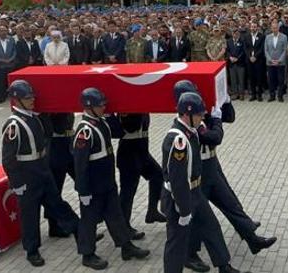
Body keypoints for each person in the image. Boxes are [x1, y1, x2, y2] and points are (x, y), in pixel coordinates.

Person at [172, 81, 276, 272]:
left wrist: (224, 101)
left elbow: (229, 117)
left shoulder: (198, 111)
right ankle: (190, 254)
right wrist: (216, 119)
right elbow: (214, 137)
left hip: (211, 166)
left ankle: (252, 240)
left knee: (230, 203)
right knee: (199, 218)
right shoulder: (187, 121)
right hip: (198, 171)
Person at [161, 91, 246, 273]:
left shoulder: (189, 131)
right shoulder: (178, 140)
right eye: (199, 114)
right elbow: (177, 180)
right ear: (187, 114)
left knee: (211, 227)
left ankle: (224, 267)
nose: (202, 118)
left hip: (195, 191)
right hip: (180, 197)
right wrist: (183, 210)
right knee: (176, 243)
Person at [1, 80, 79, 267]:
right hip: (26, 176)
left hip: (42, 171)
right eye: (28, 98)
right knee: (30, 214)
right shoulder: (13, 125)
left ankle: (79, 231)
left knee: (58, 204)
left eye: (32, 97)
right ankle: (32, 249)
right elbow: (8, 160)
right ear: (16, 100)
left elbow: (48, 135)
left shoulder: (34, 117)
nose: (32, 100)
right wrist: (17, 184)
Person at [71, 87, 150, 269]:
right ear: (89, 107)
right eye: (100, 106)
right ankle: (87, 254)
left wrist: (112, 114)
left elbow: (119, 132)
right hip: (93, 185)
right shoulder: (85, 131)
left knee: (115, 216)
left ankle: (126, 246)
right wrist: (83, 190)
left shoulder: (102, 122)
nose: (103, 108)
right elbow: (80, 165)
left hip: (107, 182)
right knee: (89, 220)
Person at [116, 113, 166, 238]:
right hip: (129, 153)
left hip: (142, 150)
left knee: (158, 175)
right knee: (128, 192)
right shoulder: (128, 104)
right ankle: (123, 228)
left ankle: (152, 212)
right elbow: (130, 127)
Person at [39, 112, 78, 238]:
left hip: (69, 143)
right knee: (56, 189)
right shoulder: (50, 107)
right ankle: (54, 226)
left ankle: (87, 225)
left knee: (84, 184)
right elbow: (51, 128)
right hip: (56, 145)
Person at [264, 20, 287, 102]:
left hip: (280, 63)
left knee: (281, 80)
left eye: (276, 28)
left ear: (278, 28)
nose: (275, 29)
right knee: (271, 80)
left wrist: (279, 60)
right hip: (270, 63)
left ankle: (280, 96)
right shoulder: (267, 37)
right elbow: (266, 50)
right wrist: (270, 60)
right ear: (271, 28)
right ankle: (272, 95)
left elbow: (285, 50)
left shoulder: (284, 37)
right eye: (273, 28)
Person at [0, 26, 16, 102]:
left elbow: (14, 51)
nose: (3, 32)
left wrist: (11, 59)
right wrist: (1, 59)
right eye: (2, 31)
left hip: (10, 64)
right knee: (1, 82)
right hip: (0, 65)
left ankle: (13, 96)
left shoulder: (11, 39)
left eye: (5, 30)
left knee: (11, 82)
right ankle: (2, 97)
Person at [244, 22, 265, 102]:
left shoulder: (262, 36)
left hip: (258, 60)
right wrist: (250, 57)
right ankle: (253, 94)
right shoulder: (246, 36)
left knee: (259, 78)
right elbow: (245, 48)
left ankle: (259, 95)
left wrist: (255, 56)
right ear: (250, 28)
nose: (253, 28)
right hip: (249, 60)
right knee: (251, 78)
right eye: (252, 27)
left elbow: (262, 48)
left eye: (255, 27)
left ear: (257, 28)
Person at [225, 28, 246, 100]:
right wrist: (230, 57)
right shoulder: (229, 41)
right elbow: (227, 51)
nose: (235, 35)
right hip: (231, 63)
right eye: (234, 33)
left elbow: (243, 51)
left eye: (237, 33)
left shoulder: (242, 41)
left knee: (241, 79)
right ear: (232, 34)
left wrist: (238, 59)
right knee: (233, 79)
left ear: (239, 34)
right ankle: (235, 93)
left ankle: (241, 94)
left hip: (240, 63)